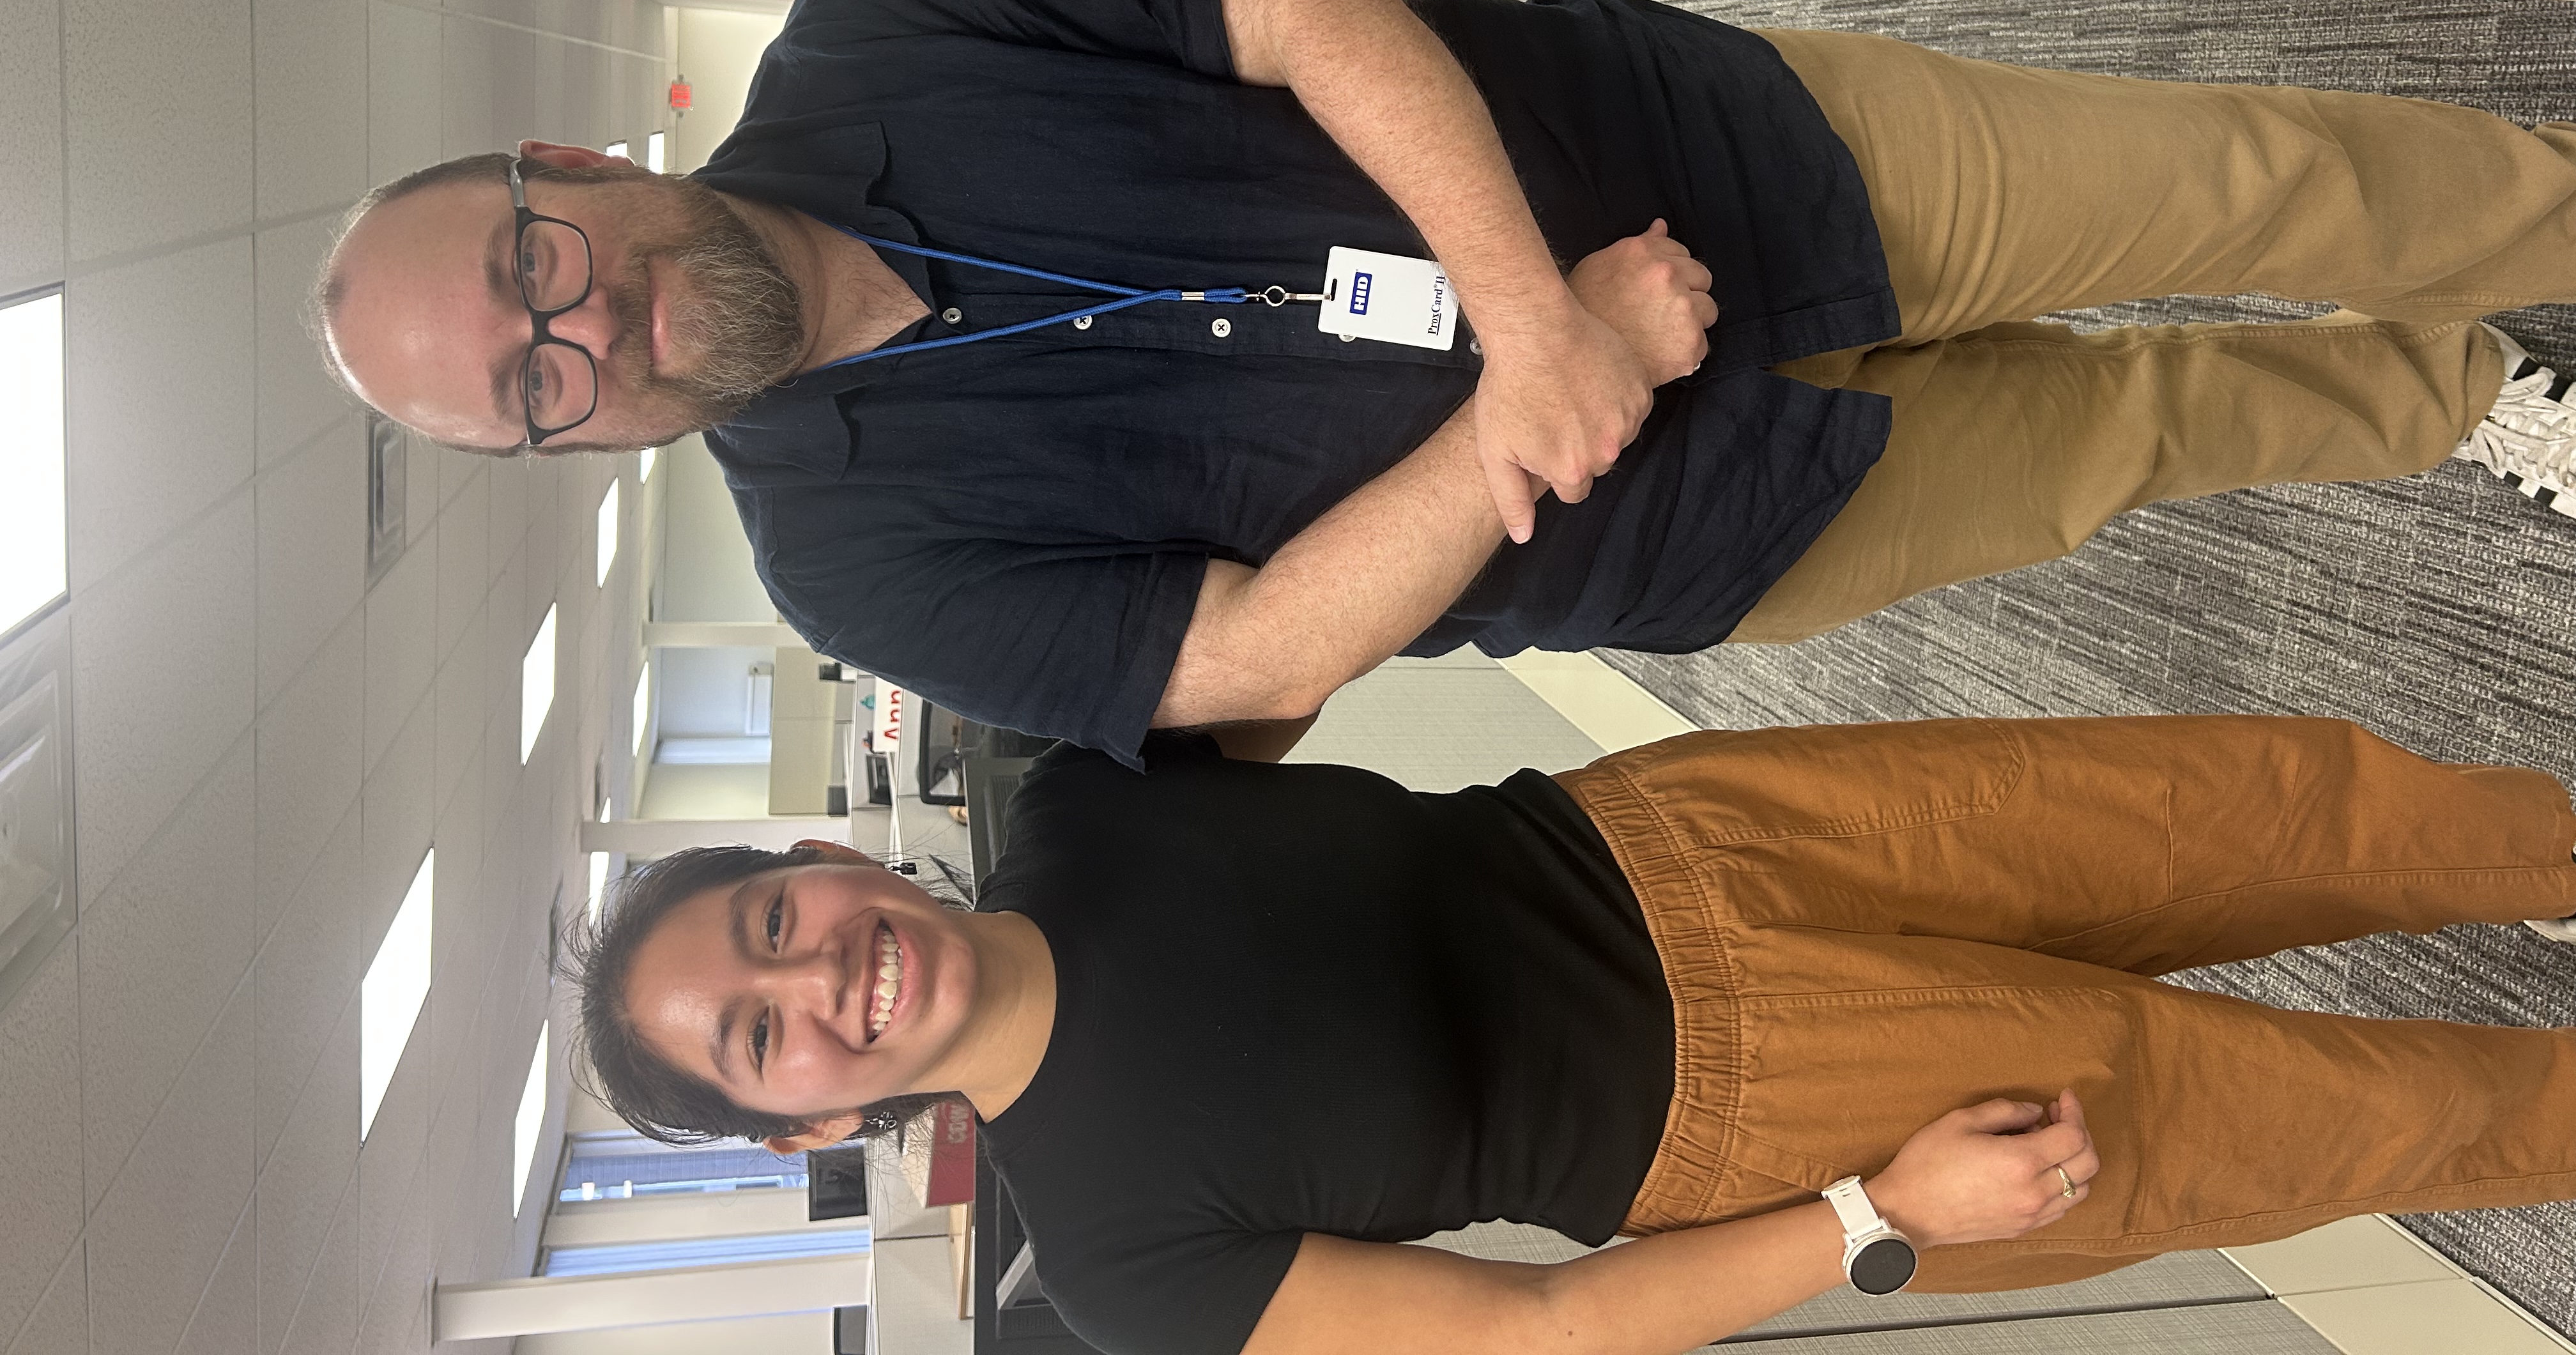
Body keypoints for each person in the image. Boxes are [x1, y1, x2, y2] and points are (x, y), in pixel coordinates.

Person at [312, 0, 2576, 760]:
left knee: (2236, 177)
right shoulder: (849, 559)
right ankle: (2482, 382)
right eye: (530, 387)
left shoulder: (884, 19)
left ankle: (2550, 228)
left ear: (575, 166)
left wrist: (1537, 311)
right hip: (1679, 531)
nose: (578, 330)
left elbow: (1297, 6)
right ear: (563, 445)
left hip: (1716, 155)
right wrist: (1533, 405)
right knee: (2147, 435)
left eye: (526, 264)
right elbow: (1258, 653)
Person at [571, 712, 2576, 1355]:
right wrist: (1880, 1209)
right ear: (795, 1126)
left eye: (771, 924)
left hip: (1702, 829)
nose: (820, 983)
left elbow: (1356, 581)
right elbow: (1533, 1332)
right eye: (762, 1040)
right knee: (2344, 1120)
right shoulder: (1117, 1262)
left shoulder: (1085, 786)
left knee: (2285, 800)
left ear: (822, 858)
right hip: (1758, 1099)